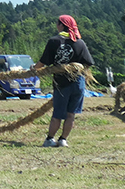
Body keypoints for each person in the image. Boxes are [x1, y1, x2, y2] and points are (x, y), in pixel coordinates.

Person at [32, 14, 95, 148]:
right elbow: (88, 63)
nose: (56, 25)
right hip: (78, 82)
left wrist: (33, 69)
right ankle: (63, 139)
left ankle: (50, 139)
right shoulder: (80, 42)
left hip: (62, 83)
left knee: (58, 114)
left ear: (62, 25)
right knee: (71, 114)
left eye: (57, 23)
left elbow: (43, 62)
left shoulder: (54, 41)